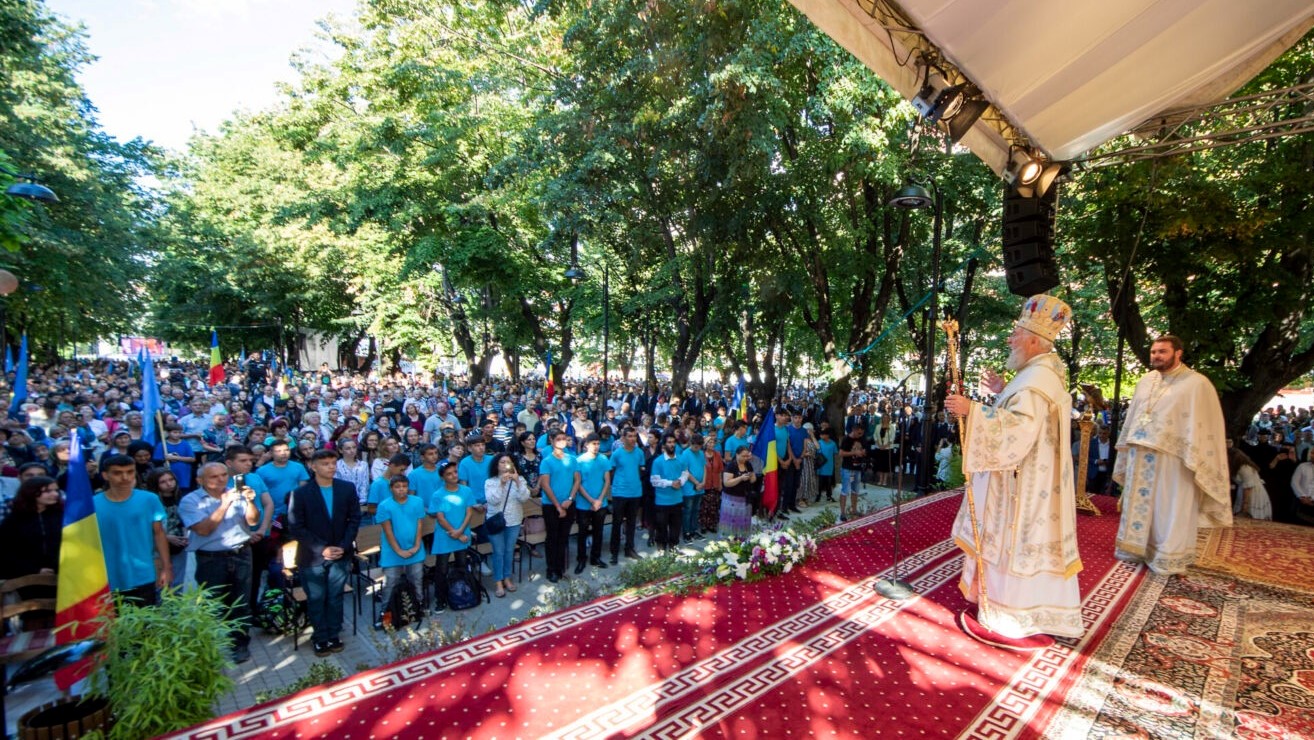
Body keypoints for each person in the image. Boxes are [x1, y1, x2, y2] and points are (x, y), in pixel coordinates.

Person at [944, 293, 1082, 642]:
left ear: (1035, 341)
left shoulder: (1037, 380)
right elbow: (1027, 418)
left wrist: (971, 410)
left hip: (1024, 489)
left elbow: (1018, 432)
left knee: (1014, 543)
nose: (1010, 338)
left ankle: (1009, 614)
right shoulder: (1040, 374)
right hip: (1034, 481)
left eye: (1016, 334)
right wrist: (1003, 390)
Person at [1113, 335, 1232, 575]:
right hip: (1140, 453)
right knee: (1140, 504)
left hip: (1173, 459)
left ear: (1178, 353)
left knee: (1169, 506)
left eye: (1162, 352)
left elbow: (1206, 426)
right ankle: (1135, 548)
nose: (1156, 356)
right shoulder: (1146, 381)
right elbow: (1135, 415)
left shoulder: (1196, 384)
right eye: (1154, 352)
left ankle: (1167, 555)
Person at [180, 462, 261, 663]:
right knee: (213, 604)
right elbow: (204, 529)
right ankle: (212, 644)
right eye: (214, 476)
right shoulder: (190, 501)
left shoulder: (238, 493)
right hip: (211, 558)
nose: (221, 479)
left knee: (241, 602)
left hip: (241, 553)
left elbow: (252, 521)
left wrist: (250, 502)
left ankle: (240, 645)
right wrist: (225, 504)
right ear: (200, 480)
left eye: (224, 474)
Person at [288, 449, 361, 657]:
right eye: (325, 464)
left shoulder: (346, 489)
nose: (330, 467)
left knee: (335, 596)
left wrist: (344, 546)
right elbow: (296, 527)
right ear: (313, 466)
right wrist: (323, 549)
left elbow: (354, 519)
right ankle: (320, 637)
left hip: (340, 553)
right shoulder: (300, 493)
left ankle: (334, 633)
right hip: (312, 557)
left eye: (332, 463)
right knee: (317, 598)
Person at [94, 454, 172, 605]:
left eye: (130, 472)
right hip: (106, 577)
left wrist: (166, 568)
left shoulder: (149, 499)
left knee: (145, 623)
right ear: (105, 475)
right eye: (117, 473)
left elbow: (159, 534)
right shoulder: (92, 505)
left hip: (143, 574)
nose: (125, 477)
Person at [373, 475, 427, 629]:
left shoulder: (417, 502)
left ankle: (418, 608)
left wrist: (416, 545)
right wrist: (398, 550)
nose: (401, 489)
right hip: (392, 553)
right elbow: (388, 531)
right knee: (390, 583)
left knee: (416, 579)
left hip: (415, 550)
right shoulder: (384, 506)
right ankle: (385, 614)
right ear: (391, 489)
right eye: (397, 487)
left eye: (404, 486)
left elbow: (419, 525)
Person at [429, 460, 474, 610]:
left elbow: (468, 512)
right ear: (442, 477)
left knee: (461, 564)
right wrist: (454, 532)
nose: (453, 475)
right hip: (445, 536)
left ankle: (462, 594)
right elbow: (440, 517)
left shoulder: (466, 491)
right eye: (449, 473)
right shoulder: (438, 494)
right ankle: (440, 599)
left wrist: (460, 531)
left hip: (462, 533)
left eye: (455, 472)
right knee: (441, 568)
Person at [483, 453, 530, 597]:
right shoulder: (490, 482)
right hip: (496, 521)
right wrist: (502, 484)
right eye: (502, 462)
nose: (505, 465)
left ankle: (507, 577)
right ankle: (498, 581)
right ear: (496, 465)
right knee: (498, 551)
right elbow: (493, 500)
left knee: (509, 550)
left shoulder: (519, 479)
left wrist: (517, 482)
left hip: (514, 520)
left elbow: (524, 498)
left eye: (508, 462)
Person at [0, 476, 62, 580]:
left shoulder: (62, 516)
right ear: (31, 493)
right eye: (48, 491)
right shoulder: (14, 520)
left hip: (61, 575)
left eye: (56, 490)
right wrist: (34, 570)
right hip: (23, 577)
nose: (55, 494)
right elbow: (6, 552)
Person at [538, 430, 578, 582]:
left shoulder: (572, 459)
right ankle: (552, 569)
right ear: (551, 440)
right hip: (551, 506)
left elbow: (577, 481)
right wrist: (558, 506)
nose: (562, 441)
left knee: (564, 537)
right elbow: (546, 485)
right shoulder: (547, 461)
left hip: (568, 503)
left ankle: (561, 568)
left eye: (564, 439)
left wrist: (570, 498)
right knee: (552, 537)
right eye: (558, 439)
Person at [144, 468, 189, 588]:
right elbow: (146, 525)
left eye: (171, 480)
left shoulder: (182, 498)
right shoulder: (150, 501)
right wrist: (166, 537)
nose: (169, 484)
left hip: (179, 545)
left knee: (178, 583)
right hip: (157, 547)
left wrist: (187, 535)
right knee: (160, 583)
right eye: (163, 482)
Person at [573, 434, 611, 572]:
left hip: (600, 503)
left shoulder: (603, 459)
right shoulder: (579, 460)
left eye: (598, 443)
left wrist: (600, 499)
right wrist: (591, 500)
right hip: (584, 503)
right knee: (582, 532)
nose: (596, 446)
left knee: (598, 531)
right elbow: (578, 483)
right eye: (593, 443)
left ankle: (596, 557)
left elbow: (607, 480)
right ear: (586, 445)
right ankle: (581, 559)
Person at [608, 427, 645, 564]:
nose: (633, 439)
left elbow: (641, 469)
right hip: (620, 493)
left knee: (631, 523)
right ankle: (614, 552)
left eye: (634, 436)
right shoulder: (617, 453)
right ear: (623, 438)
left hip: (635, 492)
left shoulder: (640, 452)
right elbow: (611, 471)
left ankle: (629, 549)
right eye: (629, 436)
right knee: (617, 523)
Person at [649, 434, 689, 551]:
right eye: (669, 442)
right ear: (664, 444)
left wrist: (680, 482)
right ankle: (661, 547)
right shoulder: (658, 461)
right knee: (661, 526)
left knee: (675, 526)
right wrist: (671, 483)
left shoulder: (681, 458)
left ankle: (673, 546)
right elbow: (654, 481)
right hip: (662, 501)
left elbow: (685, 473)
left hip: (677, 499)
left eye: (673, 442)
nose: (671, 445)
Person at [720, 445, 757, 539]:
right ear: (737, 455)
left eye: (746, 456)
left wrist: (751, 477)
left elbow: (753, 479)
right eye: (743, 456)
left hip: (745, 497)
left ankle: (741, 538)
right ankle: (730, 538)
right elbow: (727, 483)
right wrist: (740, 478)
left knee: (743, 519)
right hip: (732, 497)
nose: (745, 458)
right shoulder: (731, 466)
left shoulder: (748, 465)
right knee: (732, 519)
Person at [1228, 448, 1273, 520]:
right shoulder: (1237, 467)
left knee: (1252, 515)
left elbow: (1248, 488)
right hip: (1243, 490)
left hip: (1253, 493)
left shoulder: (1245, 468)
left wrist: (1244, 507)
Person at [837, 426, 866, 522]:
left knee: (855, 490)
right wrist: (854, 452)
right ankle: (842, 512)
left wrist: (863, 452)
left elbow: (865, 449)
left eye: (861, 433)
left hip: (857, 467)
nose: (860, 435)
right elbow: (841, 453)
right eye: (858, 433)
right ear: (853, 430)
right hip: (848, 468)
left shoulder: (861, 438)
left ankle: (854, 509)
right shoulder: (846, 439)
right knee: (845, 490)